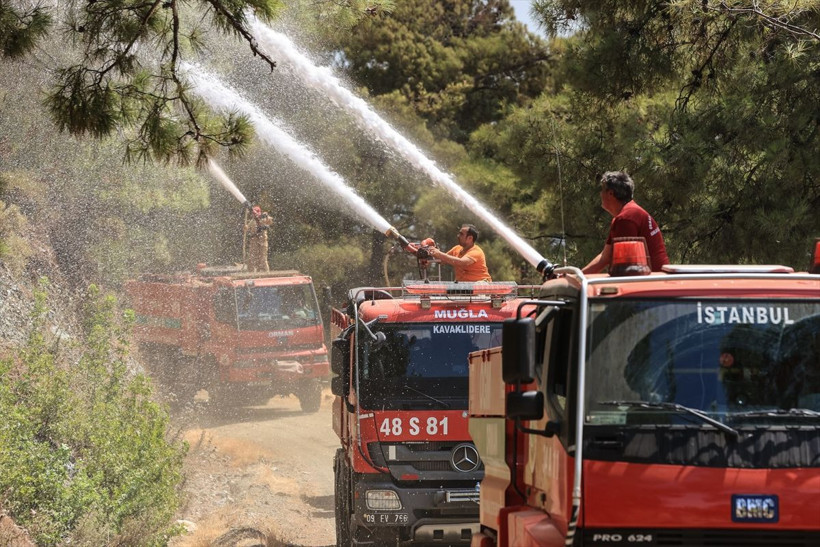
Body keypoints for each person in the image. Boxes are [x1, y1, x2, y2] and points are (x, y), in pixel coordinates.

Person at [582, 171, 669, 274]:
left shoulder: (626, 218)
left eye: (602, 190)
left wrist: (575, 277)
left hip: (652, 280)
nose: (600, 194)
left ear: (610, 193)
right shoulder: (627, 214)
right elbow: (604, 257)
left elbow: (623, 266)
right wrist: (576, 276)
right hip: (654, 277)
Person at [244, 205, 273, 272]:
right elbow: (246, 228)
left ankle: (265, 272)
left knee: (263, 258)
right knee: (252, 257)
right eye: (253, 214)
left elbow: (270, 222)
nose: (254, 215)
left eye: (256, 213)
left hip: (263, 241)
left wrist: (266, 216)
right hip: (254, 240)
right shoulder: (252, 221)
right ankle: (251, 272)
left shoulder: (263, 218)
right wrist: (245, 227)